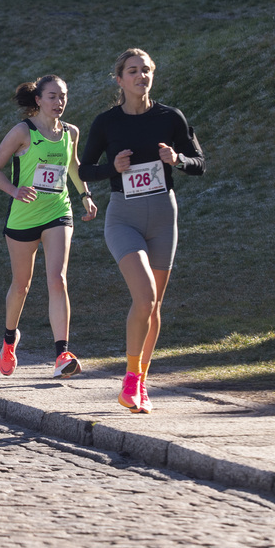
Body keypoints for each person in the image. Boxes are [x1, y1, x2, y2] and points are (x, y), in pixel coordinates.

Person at [78, 48, 205, 413]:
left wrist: (177, 159)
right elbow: (85, 169)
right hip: (124, 218)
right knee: (145, 297)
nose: (140, 76)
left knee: (155, 305)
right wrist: (112, 169)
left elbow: (200, 163)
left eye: (146, 70)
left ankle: (141, 384)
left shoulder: (171, 117)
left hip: (164, 216)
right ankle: (130, 382)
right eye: (132, 71)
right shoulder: (107, 122)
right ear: (119, 79)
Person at [0, 75, 97, 379]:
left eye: (63, 96)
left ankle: (62, 353)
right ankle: (9, 340)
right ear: (38, 100)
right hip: (22, 217)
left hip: (58, 212)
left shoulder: (70, 132)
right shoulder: (23, 131)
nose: (59, 102)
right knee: (21, 285)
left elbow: (72, 165)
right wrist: (14, 191)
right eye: (52, 96)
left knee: (57, 279)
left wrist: (85, 195)